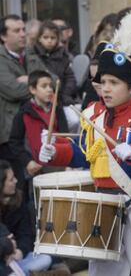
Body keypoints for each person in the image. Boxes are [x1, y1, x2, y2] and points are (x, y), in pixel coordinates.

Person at [38, 12, 131, 276]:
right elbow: (86, 154)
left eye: (114, 83)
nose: (106, 88)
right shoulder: (93, 113)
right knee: (104, 272)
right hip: (104, 203)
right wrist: (55, 152)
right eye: (103, 82)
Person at [8, 70, 69, 178]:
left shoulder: (57, 110)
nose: (49, 89)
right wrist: (28, 161)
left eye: (51, 86)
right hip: (35, 168)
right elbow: (14, 142)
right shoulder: (23, 113)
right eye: (44, 86)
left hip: (57, 165)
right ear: (32, 89)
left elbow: (65, 136)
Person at [0, 160, 52, 275]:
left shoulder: (18, 200)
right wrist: (7, 246)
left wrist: (20, 252)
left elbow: (25, 234)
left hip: (15, 258)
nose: (16, 180)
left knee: (45, 258)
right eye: (11, 179)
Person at [0, 14, 30, 195]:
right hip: (10, 135)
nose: (22, 34)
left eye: (24, 30)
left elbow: (53, 80)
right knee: (15, 189)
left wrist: (28, 80)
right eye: (16, 30)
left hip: (32, 130)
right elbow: (13, 90)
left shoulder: (31, 54)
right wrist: (36, 85)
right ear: (3, 36)